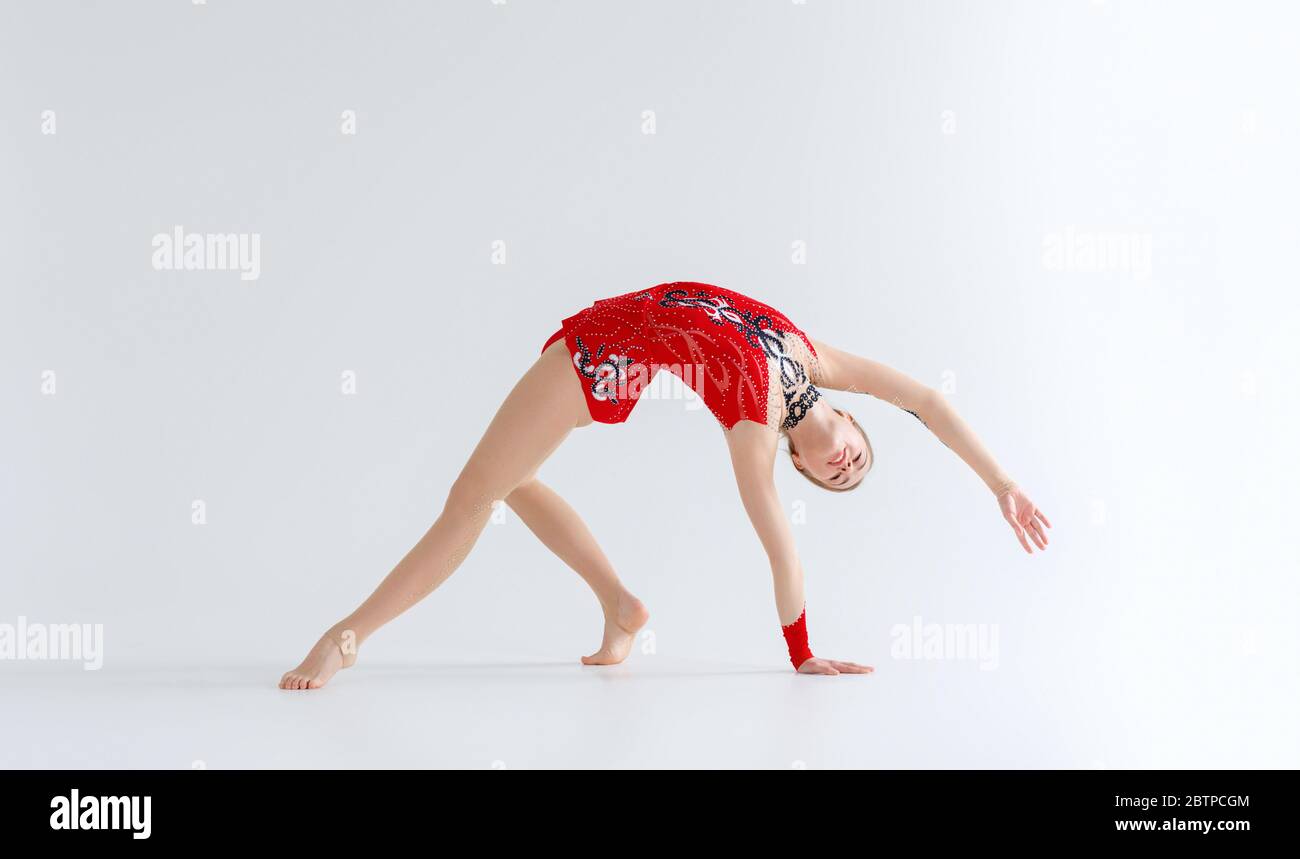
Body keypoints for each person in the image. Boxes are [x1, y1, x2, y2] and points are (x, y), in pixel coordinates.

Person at [280, 282, 1050, 689]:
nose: (846, 465)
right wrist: (1001, 483)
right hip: (616, 335)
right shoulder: (815, 356)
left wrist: (802, 652)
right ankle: (620, 605)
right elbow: (928, 402)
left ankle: (345, 638)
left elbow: (782, 552)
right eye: (857, 454)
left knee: (471, 497)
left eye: (837, 477)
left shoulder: (754, 429)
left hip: (604, 351)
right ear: (850, 418)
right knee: (502, 482)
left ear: (800, 465)